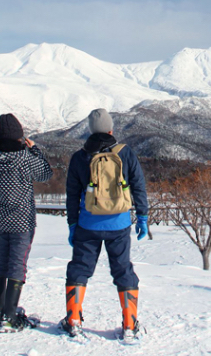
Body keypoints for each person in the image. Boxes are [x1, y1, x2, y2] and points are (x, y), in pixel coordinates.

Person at [60, 109, 149, 341]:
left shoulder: (80, 157)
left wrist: (72, 224)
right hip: (118, 224)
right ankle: (129, 324)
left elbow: (72, 194)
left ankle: (73, 320)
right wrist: (142, 217)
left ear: (90, 130)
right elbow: (138, 186)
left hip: (87, 224)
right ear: (111, 130)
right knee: (123, 271)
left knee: (79, 269)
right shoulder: (125, 153)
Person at [0, 113, 53, 332]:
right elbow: (45, 174)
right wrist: (34, 149)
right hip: (22, 221)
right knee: (17, 264)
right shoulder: (24, 158)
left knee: (0, 262)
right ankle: (9, 316)